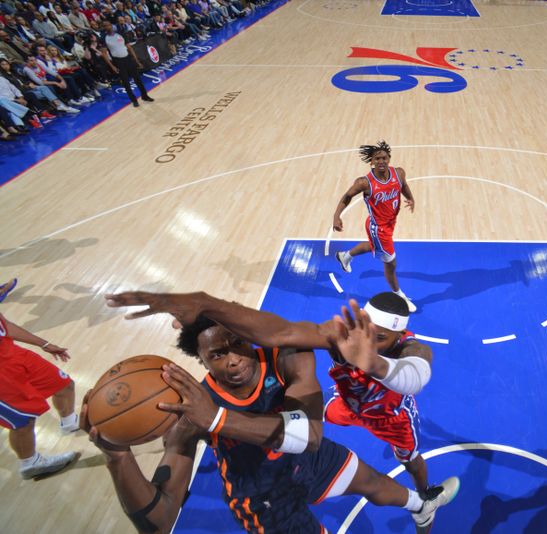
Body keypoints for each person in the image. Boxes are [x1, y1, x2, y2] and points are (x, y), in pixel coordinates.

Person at [98, 291, 459, 533]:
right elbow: (159, 521)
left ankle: (420, 504)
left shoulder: (287, 357)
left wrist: (204, 302)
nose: (234, 359)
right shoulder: (192, 412)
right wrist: (117, 457)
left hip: (313, 457)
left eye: (237, 344)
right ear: (201, 360)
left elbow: (312, 438)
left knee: (375, 482)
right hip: (261, 496)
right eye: (217, 355)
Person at [324, 293, 433, 499]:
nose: (370, 342)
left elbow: (418, 373)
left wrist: (372, 363)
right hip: (347, 404)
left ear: (400, 334)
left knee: (410, 461)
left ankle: (425, 496)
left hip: (391, 420)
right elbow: (287, 333)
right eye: (368, 332)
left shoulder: (410, 348)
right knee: (293, 410)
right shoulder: (345, 332)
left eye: (380, 338)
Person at [332, 141, 418, 312]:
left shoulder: (398, 173)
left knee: (373, 246)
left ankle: (345, 256)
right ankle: (399, 296)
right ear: (371, 161)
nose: (381, 161)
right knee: (391, 264)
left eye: (384, 158)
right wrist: (336, 216)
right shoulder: (364, 183)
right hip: (379, 229)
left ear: (389, 159)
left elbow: (404, 186)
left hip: (390, 223)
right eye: (377, 158)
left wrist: (411, 198)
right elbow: (346, 197)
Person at [0, 311, 79, 479]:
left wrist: (44, 344)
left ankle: (70, 422)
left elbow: (5, 325)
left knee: (64, 384)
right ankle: (30, 463)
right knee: (22, 422)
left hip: (12, 354)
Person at [100, 19, 153, 107]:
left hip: (128, 59)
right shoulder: (103, 38)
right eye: (104, 26)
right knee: (126, 83)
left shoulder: (120, 34)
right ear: (103, 28)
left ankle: (145, 96)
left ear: (111, 25)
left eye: (108, 25)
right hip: (118, 61)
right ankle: (134, 100)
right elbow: (104, 54)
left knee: (138, 79)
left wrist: (136, 60)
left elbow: (129, 48)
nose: (107, 27)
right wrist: (112, 66)